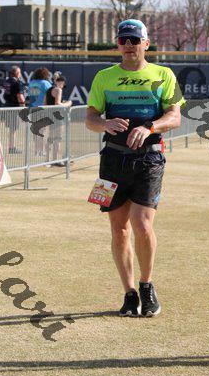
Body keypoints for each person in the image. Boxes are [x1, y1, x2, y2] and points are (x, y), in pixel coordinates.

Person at [85, 19, 185, 318]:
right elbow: (90, 118)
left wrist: (149, 127)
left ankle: (146, 285)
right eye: (123, 40)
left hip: (149, 159)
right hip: (112, 160)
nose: (129, 45)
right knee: (119, 230)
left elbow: (175, 116)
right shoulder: (104, 77)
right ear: (118, 44)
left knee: (142, 225)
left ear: (146, 43)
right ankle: (129, 293)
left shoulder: (163, 74)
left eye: (134, 40)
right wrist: (104, 123)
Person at [45, 75, 72, 166]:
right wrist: (68, 103)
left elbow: (45, 104)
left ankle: (47, 160)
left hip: (49, 116)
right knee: (58, 138)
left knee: (50, 138)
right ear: (62, 83)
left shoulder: (48, 90)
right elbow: (57, 104)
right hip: (57, 116)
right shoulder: (58, 90)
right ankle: (55, 160)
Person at [28, 67, 52, 156]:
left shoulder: (32, 83)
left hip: (32, 108)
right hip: (43, 109)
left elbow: (32, 96)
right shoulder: (46, 83)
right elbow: (51, 94)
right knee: (42, 131)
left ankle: (36, 150)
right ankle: (41, 151)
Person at [3, 65, 26, 154]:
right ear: (17, 73)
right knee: (13, 129)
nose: (20, 74)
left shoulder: (7, 81)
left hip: (8, 106)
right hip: (14, 107)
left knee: (12, 129)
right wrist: (24, 107)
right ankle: (12, 147)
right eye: (19, 72)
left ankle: (11, 146)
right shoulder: (17, 82)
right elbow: (20, 96)